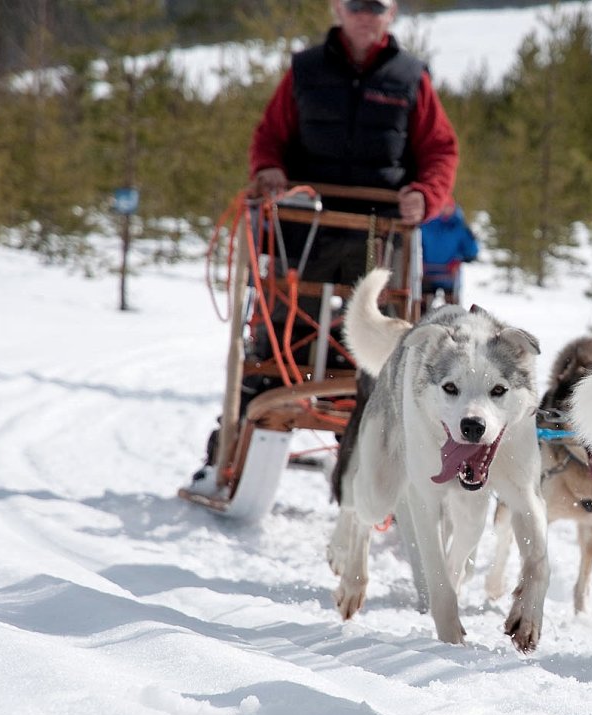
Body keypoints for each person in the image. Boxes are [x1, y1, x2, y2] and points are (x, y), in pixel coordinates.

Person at [188, 0, 459, 486]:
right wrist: (268, 169)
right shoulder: (305, 70)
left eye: (375, 5)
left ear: (391, 12)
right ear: (338, 8)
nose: (365, 13)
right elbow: (269, 137)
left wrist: (425, 195)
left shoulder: (410, 77)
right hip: (303, 225)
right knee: (278, 332)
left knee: (377, 342)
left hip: (380, 231)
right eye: (356, 4)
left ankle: (385, 464)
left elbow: (439, 151)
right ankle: (236, 450)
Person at [419, 201, 478, 308]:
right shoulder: (428, 223)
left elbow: (471, 251)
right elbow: (418, 243)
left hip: (450, 275)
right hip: (428, 274)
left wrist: (458, 259)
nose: (445, 209)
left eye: (448, 206)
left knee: (452, 308)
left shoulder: (460, 226)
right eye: (443, 205)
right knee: (422, 308)